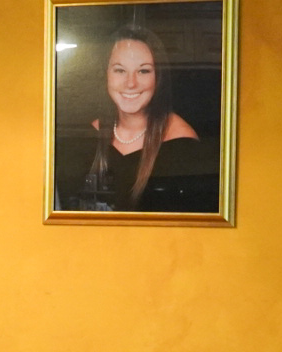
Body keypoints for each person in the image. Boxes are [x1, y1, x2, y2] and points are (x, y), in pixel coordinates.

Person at [60, 24, 216, 212]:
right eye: (119, 70)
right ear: (105, 75)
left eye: (143, 71)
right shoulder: (86, 135)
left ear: (158, 77)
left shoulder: (182, 146)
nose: (131, 83)